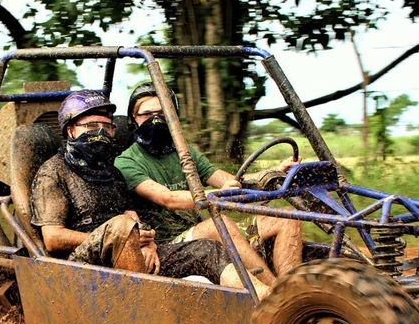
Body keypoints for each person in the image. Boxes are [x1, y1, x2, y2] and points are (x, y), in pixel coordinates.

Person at [30, 90, 271, 296]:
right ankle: (148, 320)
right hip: (83, 265)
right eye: (92, 127)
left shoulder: (110, 171)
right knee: (121, 225)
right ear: (71, 130)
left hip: (128, 250)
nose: (100, 133)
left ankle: (267, 300)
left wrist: (147, 243)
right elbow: (52, 238)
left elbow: (131, 213)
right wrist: (122, 236)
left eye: (106, 127)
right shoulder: (53, 172)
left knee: (208, 250)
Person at [115, 82, 303, 285]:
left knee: (286, 217)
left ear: (173, 117)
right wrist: (215, 195)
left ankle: (293, 287)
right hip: (166, 243)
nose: (155, 119)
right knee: (219, 223)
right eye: (147, 114)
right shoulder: (127, 161)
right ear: (134, 119)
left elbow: (228, 181)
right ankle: (279, 294)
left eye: (162, 113)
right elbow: (167, 198)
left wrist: (274, 171)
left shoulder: (183, 152)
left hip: (196, 228)